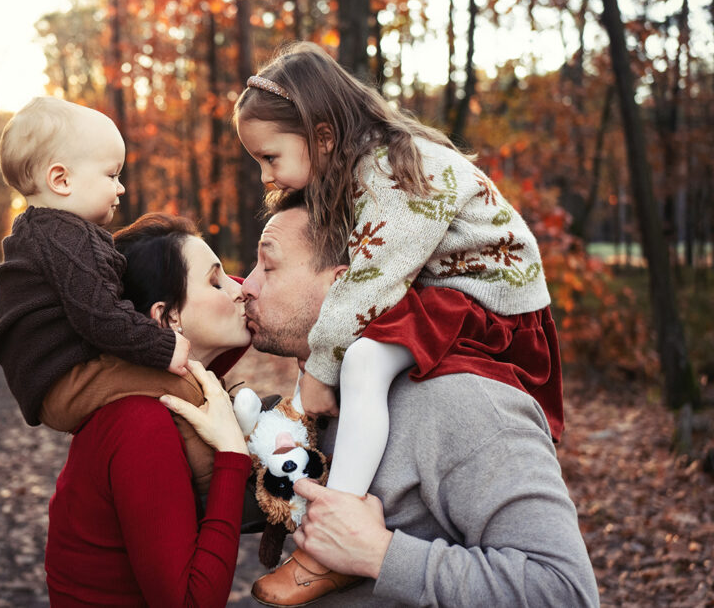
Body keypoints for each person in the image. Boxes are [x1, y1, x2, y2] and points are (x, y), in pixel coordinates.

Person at [234, 43, 565, 603]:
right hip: (451, 292)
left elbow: (371, 278)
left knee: (359, 357)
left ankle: (326, 543)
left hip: (489, 303)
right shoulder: (366, 169)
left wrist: (319, 365)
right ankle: (318, 509)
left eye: (270, 158)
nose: (268, 177)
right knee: (352, 360)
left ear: (322, 136)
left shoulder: (397, 169)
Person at [239, 192, 599, 607]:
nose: (247, 285)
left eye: (268, 265)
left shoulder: (462, 399)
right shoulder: (319, 402)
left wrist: (379, 554)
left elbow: (565, 591)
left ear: (343, 284)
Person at [43, 213, 256, 607]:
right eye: (215, 281)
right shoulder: (142, 423)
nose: (239, 290)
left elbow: (245, 306)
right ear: (167, 316)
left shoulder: (152, 387)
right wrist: (231, 456)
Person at [0, 97, 191, 429]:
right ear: (62, 180)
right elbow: (101, 316)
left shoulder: (37, 232)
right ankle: (225, 469)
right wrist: (163, 346)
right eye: (111, 175)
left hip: (52, 383)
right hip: (68, 380)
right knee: (186, 389)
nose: (121, 188)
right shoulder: (68, 237)